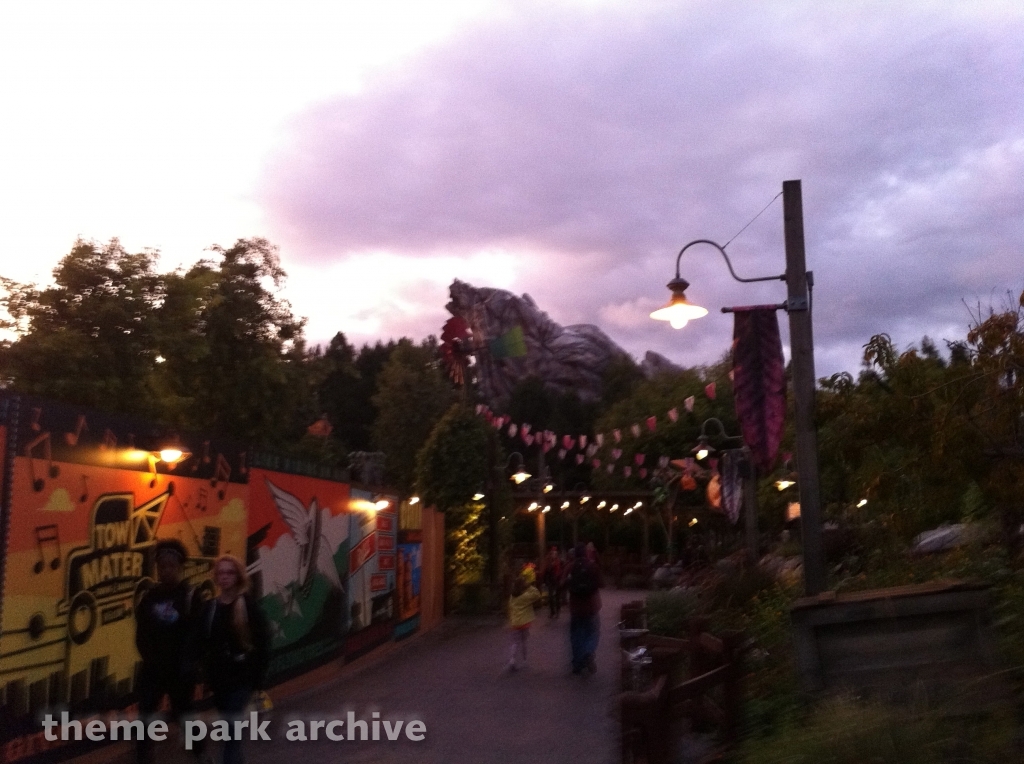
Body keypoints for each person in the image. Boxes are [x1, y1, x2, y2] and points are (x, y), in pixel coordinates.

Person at [134, 539, 203, 764]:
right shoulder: (149, 598)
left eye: (171, 566)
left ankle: (199, 755)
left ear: (180, 568)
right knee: (145, 716)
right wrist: (149, 657)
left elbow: (197, 632)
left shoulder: (191, 596)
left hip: (180, 671)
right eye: (161, 567)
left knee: (184, 716)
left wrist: (189, 662)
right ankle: (144, 758)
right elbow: (141, 632)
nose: (165, 571)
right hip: (153, 669)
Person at [197, 555, 270, 764]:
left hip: (242, 678)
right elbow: (201, 639)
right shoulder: (211, 608)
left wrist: (258, 680)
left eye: (229, 572)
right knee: (230, 732)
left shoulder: (247, 606)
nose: (225, 577)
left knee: (231, 729)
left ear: (238, 576)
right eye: (221, 573)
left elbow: (263, 642)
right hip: (220, 679)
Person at [563, 541, 603, 675]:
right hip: (591, 606)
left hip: (575, 607)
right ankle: (588, 652)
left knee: (576, 635)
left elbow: (562, 583)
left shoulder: (570, 567)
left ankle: (577, 664)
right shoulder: (592, 566)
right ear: (586, 553)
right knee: (593, 632)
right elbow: (601, 583)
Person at [504, 566, 541, 672]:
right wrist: (529, 586)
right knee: (524, 641)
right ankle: (524, 660)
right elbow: (537, 595)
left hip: (515, 623)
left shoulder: (512, 597)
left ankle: (512, 660)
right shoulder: (525, 597)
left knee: (514, 643)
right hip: (524, 623)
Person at [542, 546, 563, 618]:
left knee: (557, 596)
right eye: (552, 553)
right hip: (551, 580)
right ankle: (552, 612)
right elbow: (545, 571)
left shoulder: (558, 561)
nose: (553, 555)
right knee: (551, 596)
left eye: (555, 553)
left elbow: (560, 571)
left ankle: (557, 612)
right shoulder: (548, 562)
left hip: (557, 580)